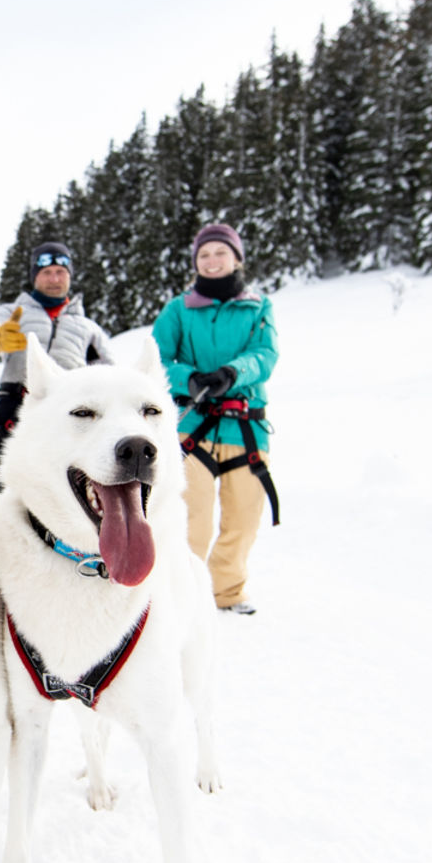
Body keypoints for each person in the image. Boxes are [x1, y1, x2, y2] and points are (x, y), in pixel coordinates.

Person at [153, 223, 279, 615]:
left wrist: (233, 373)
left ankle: (227, 592)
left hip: (246, 428)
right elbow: (156, 356)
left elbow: (265, 353)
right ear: (195, 262)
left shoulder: (258, 307)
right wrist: (186, 378)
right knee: (193, 518)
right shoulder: (178, 309)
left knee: (243, 517)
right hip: (194, 427)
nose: (211, 260)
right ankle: (187, 592)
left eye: (220, 253)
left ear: (236, 258)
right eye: (204, 255)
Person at [0, 242, 112, 509]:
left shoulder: (88, 328)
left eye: (61, 271)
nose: (54, 278)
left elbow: (111, 375)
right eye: (46, 272)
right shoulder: (11, 313)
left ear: (70, 276)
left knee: (60, 487)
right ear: (35, 276)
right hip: (13, 402)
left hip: (68, 409)